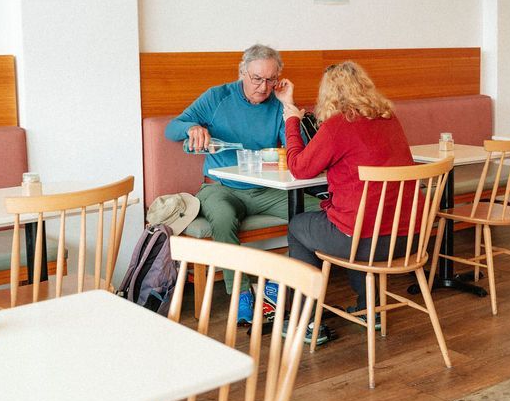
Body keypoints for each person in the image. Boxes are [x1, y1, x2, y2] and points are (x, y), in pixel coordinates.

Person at [165, 43, 318, 321]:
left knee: (317, 211)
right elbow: (171, 128)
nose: (263, 87)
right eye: (256, 78)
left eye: (271, 80)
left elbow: (301, 153)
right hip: (219, 187)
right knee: (222, 218)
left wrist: (289, 105)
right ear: (242, 73)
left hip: (266, 189)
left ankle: (282, 281)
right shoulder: (217, 97)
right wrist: (192, 127)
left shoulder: (276, 104)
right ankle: (241, 294)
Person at [277, 61, 419, 343]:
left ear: (329, 94)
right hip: (408, 238)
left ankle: (306, 322)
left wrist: (291, 121)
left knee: (299, 225)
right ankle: (370, 309)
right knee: (355, 220)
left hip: (365, 241)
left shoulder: (338, 125)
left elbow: (300, 168)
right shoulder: (390, 119)